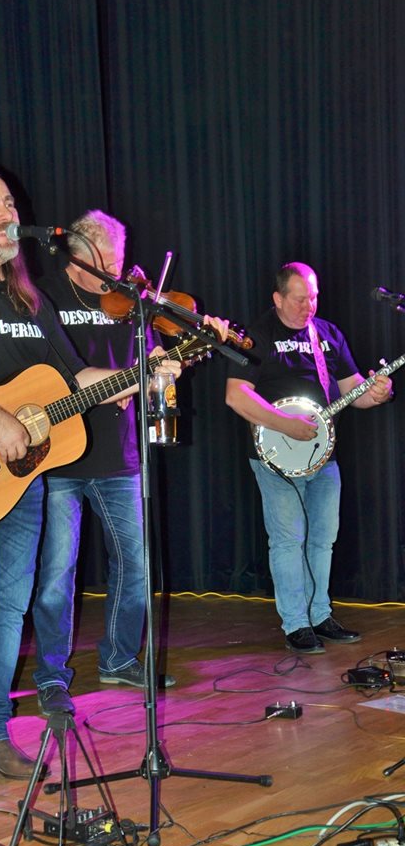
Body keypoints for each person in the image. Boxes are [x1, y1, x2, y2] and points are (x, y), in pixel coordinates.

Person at [0, 168, 176, 807]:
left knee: (9, 611)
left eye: (8, 202)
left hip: (23, 482)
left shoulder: (28, 300)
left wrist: (144, 371)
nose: (5, 213)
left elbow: (75, 382)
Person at [32, 210, 228, 716]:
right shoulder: (42, 297)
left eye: (119, 264)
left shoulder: (133, 304)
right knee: (56, 573)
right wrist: (111, 381)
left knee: (135, 566)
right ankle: (51, 675)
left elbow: (154, 369)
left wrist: (168, 368)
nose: (116, 275)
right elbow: (44, 371)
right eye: (106, 264)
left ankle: (119, 659)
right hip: (57, 453)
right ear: (76, 255)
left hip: (118, 452)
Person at [225, 262, 393, 654]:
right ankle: (296, 624)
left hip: (322, 454)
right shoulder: (257, 335)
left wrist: (377, 392)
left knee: (322, 540)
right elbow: (236, 395)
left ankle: (319, 615)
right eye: (300, 300)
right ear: (278, 298)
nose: (308, 307)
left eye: (313, 298)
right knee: (288, 540)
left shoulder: (328, 334)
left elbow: (354, 391)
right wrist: (284, 423)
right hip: (275, 457)